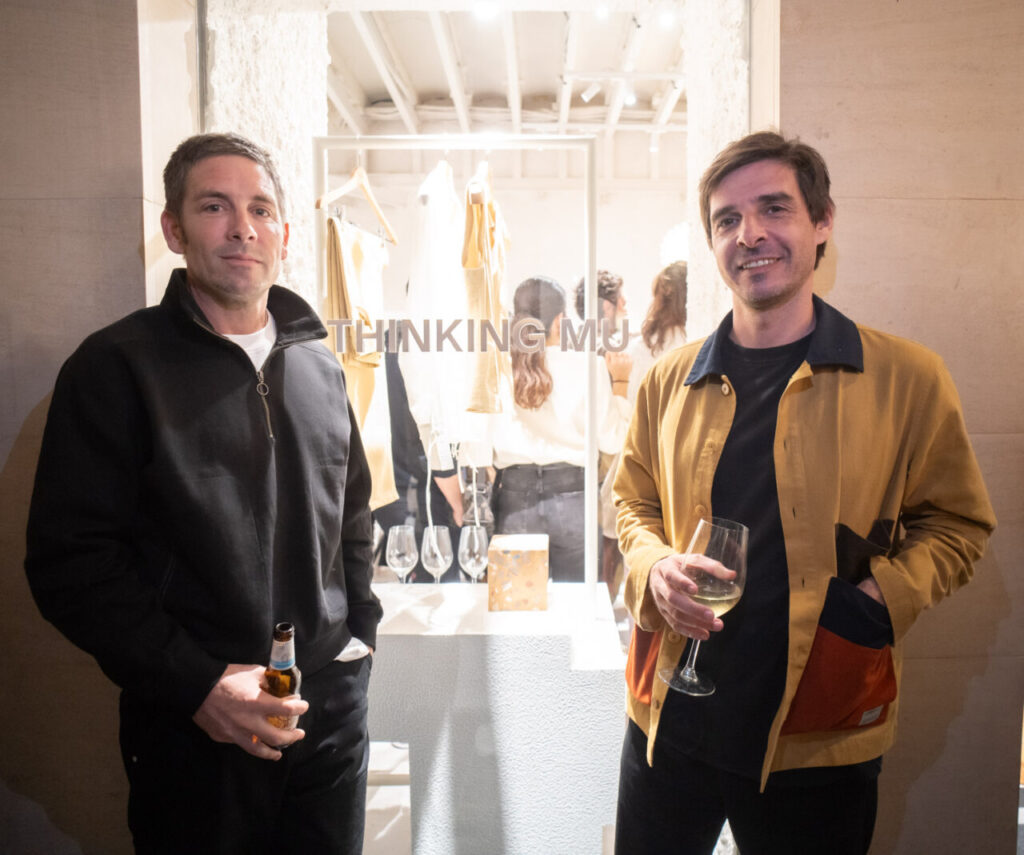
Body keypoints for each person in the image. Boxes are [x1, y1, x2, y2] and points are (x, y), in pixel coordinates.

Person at [612, 131, 995, 855]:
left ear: (822, 223)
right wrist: (652, 567)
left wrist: (880, 600)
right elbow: (631, 503)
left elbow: (959, 523)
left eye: (774, 209)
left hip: (819, 731)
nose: (749, 234)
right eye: (727, 219)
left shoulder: (906, 378)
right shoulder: (667, 379)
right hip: (668, 715)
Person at [24, 132, 382, 854]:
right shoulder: (117, 367)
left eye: (260, 208)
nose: (241, 226)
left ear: (283, 232)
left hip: (324, 720)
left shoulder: (320, 366)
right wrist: (197, 683)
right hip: (192, 730)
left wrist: (354, 646)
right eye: (214, 206)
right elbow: (70, 563)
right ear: (173, 228)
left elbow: (351, 521)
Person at [492, 275, 632, 581]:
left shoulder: (499, 364)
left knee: (515, 610)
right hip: (573, 496)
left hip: (515, 495)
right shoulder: (587, 364)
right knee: (576, 611)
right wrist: (620, 384)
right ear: (560, 320)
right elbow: (612, 440)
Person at [600, 261, 689, 598]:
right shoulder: (699, 341)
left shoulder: (640, 348)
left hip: (639, 455)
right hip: (679, 461)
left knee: (625, 543)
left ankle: (611, 615)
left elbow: (630, 416)